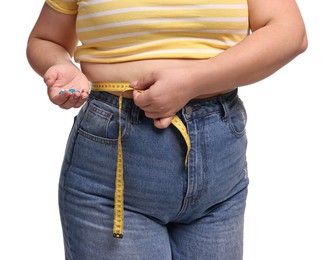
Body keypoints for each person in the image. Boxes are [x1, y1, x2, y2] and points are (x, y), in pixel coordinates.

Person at [26, 0, 307, 259]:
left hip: (219, 169)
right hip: (111, 165)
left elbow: (290, 32)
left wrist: (194, 81)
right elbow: (46, 39)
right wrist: (61, 66)